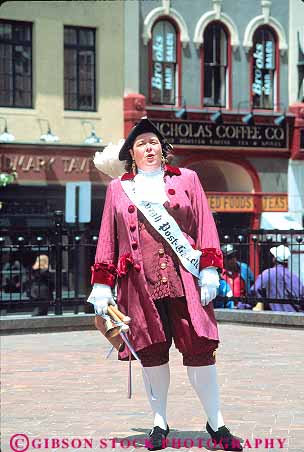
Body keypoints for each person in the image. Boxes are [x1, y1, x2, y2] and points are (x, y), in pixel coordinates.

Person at [87, 118, 243, 451]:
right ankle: (160, 422)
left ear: (163, 148)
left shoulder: (187, 179)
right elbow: (108, 238)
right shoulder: (119, 188)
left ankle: (216, 422)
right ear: (131, 153)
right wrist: (102, 285)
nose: (149, 148)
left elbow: (204, 223)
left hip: (184, 278)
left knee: (200, 348)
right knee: (152, 353)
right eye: (141, 143)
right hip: (140, 285)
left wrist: (211, 269)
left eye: (153, 142)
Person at [249, 245, 304, 312]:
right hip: (293, 317)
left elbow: (254, 292)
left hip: (273, 316)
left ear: (274, 259)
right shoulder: (294, 278)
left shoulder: (267, 274)